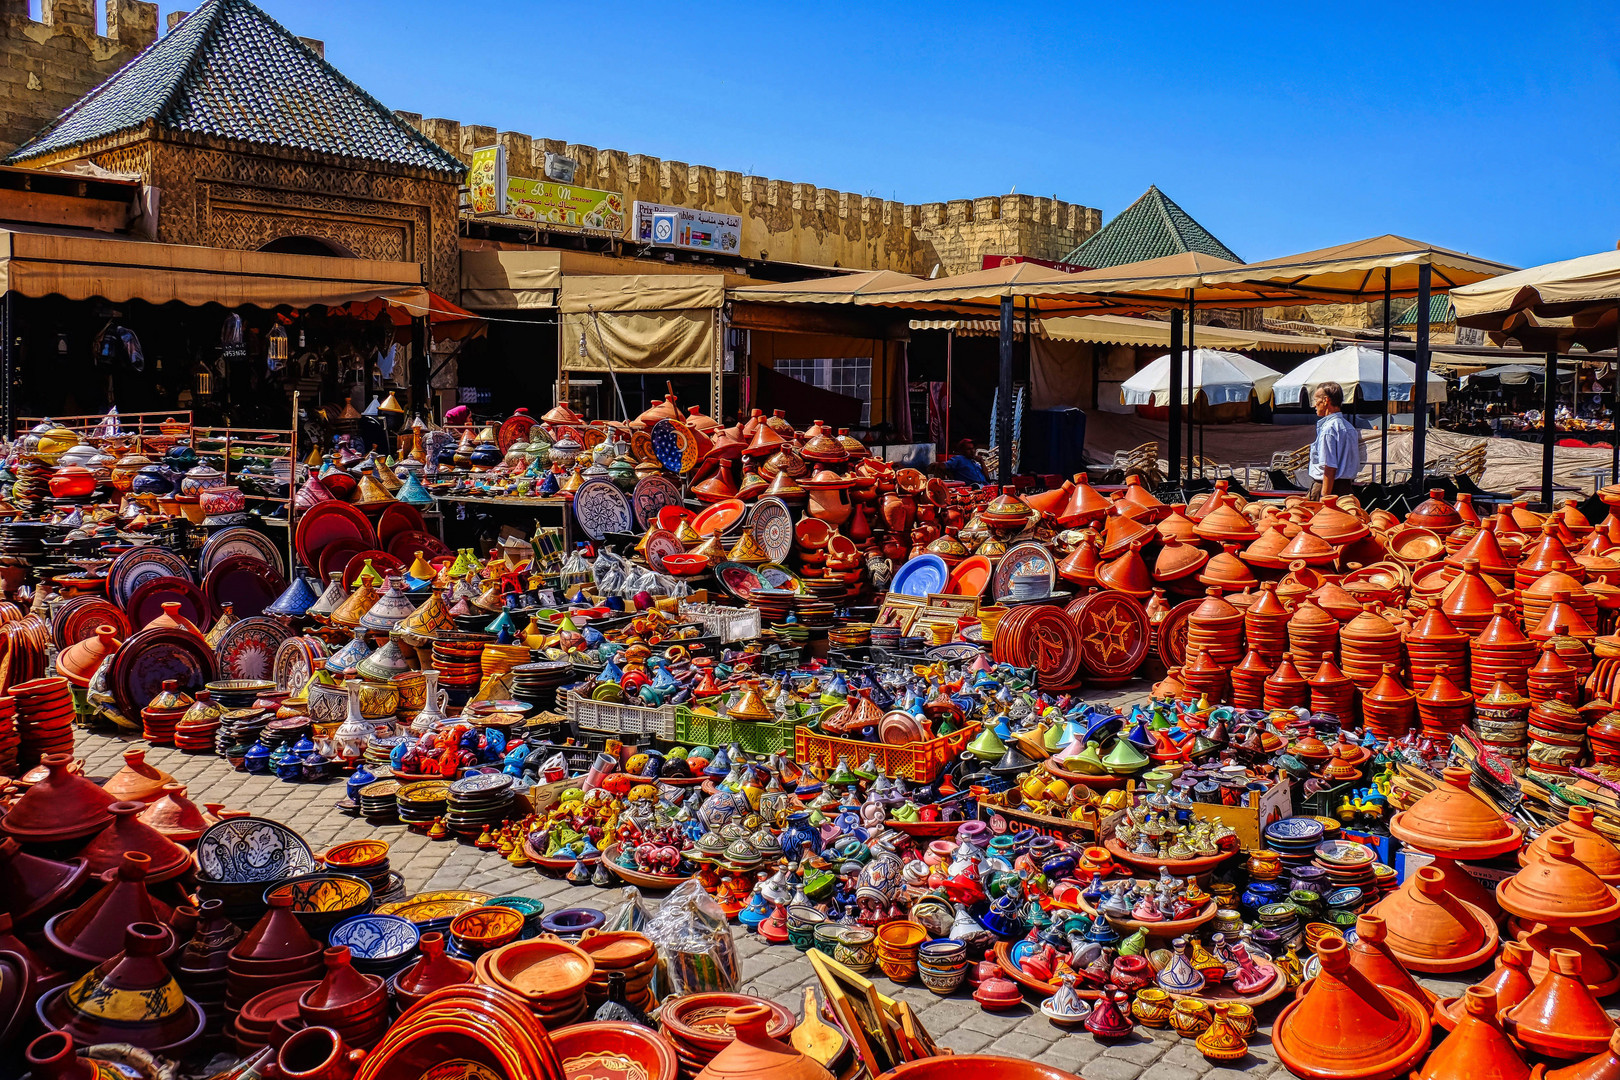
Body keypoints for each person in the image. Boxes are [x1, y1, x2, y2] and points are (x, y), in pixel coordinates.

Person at [1309, 381, 1363, 500]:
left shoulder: (1329, 429)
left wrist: (1325, 497)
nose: (1314, 405)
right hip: (1345, 488)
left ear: (1325, 400)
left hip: (1326, 487)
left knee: (1323, 518)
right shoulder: (1349, 427)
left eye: (1315, 400)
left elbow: (1329, 467)